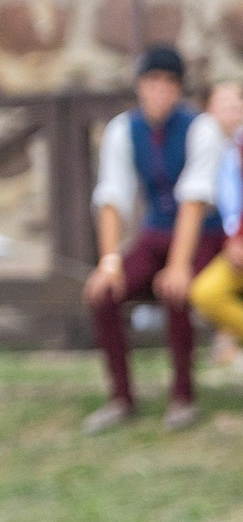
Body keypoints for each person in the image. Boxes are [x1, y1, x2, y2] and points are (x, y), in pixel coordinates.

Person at [84, 46, 228, 432]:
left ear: (178, 89)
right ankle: (121, 396)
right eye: (152, 81)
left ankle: (182, 395)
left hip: (203, 235)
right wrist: (109, 263)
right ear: (140, 87)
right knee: (104, 293)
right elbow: (112, 197)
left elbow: (194, 202)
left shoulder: (202, 129)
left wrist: (179, 266)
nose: (160, 90)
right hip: (156, 232)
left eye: (168, 82)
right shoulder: (123, 130)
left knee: (175, 290)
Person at [186, 82, 243, 364]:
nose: (232, 110)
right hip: (231, 243)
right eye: (224, 104)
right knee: (206, 293)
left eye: (237, 103)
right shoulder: (216, 145)